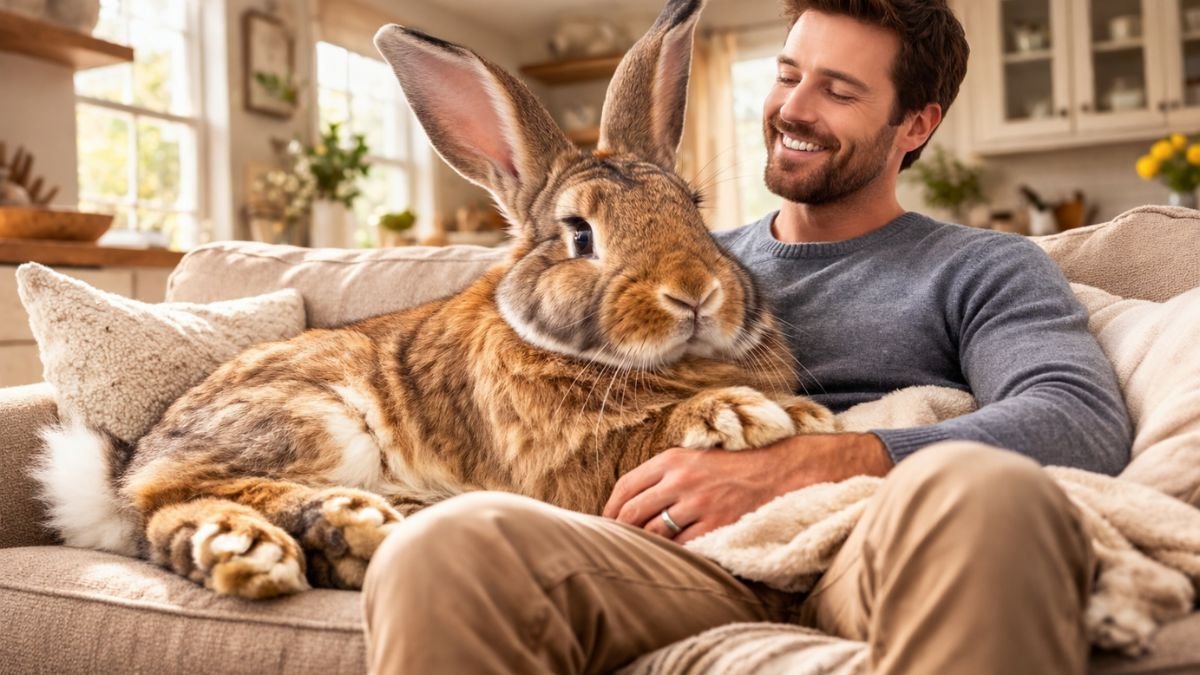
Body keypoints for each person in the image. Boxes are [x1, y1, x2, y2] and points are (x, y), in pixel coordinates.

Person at [362, 1, 1131, 673]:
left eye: (838, 90)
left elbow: (1077, 419)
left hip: (864, 541)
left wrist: (806, 465)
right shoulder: (680, 269)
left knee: (987, 490)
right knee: (447, 547)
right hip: (683, 564)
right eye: (789, 74)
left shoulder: (978, 265)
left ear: (915, 124)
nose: (794, 109)